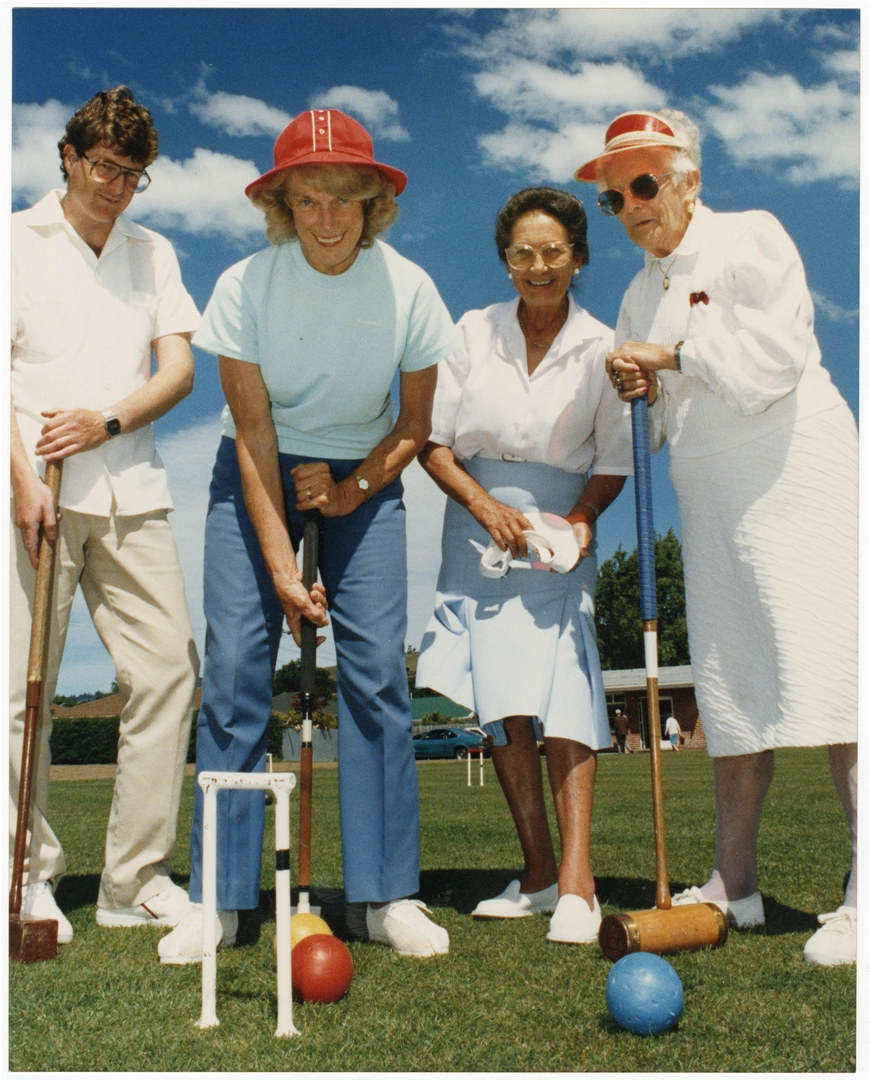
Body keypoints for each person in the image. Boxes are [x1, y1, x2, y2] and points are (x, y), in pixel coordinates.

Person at [157, 109, 459, 964]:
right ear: (282, 206)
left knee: (374, 679)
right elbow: (252, 437)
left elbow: (413, 426)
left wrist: (350, 489)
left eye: (345, 199)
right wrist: (283, 562)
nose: (328, 218)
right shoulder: (244, 287)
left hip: (366, 475)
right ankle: (218, 900)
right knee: (239, 670)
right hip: (254, 473)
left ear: (373, 202)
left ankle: (384, 894)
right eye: (308, 200)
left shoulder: (410, 290)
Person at [577, 109, 857, 965]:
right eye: (612, 194)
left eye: (644, 183)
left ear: (689, 180)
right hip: (709, 493)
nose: (628, 204)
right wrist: (637, 384)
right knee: (731, 685)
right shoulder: (635, 292)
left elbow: (772, 357)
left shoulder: (751, 237)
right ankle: (734, 882)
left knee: (842, 676)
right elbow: (656, 425)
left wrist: (664, 358)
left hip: (792, 471)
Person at [416, 188, 631, 944]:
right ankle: (537, 873)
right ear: (504, 260)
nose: (536, 267)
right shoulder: (471, 332)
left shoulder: (605, 346)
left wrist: (574, 523)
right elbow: (431, 441)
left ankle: (578, 883)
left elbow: (612, 461)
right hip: (475, 522)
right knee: (502, 699)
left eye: (552, 252)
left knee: (566, 689)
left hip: (558, 531)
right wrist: (486, 510)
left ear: (577, 257)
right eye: (520, 254)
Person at [10, 86, 200, 943]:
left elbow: (178, 370)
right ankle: (28, 877)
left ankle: (134, 880)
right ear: (67, 157)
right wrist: (20, 478)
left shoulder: (152, 252)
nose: (115, 187)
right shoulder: (14, 242)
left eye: (133, 174)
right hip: (34, 495)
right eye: (102, 167)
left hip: (133, 491)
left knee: (167, 673)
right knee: (24, 695)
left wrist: (109, 419)